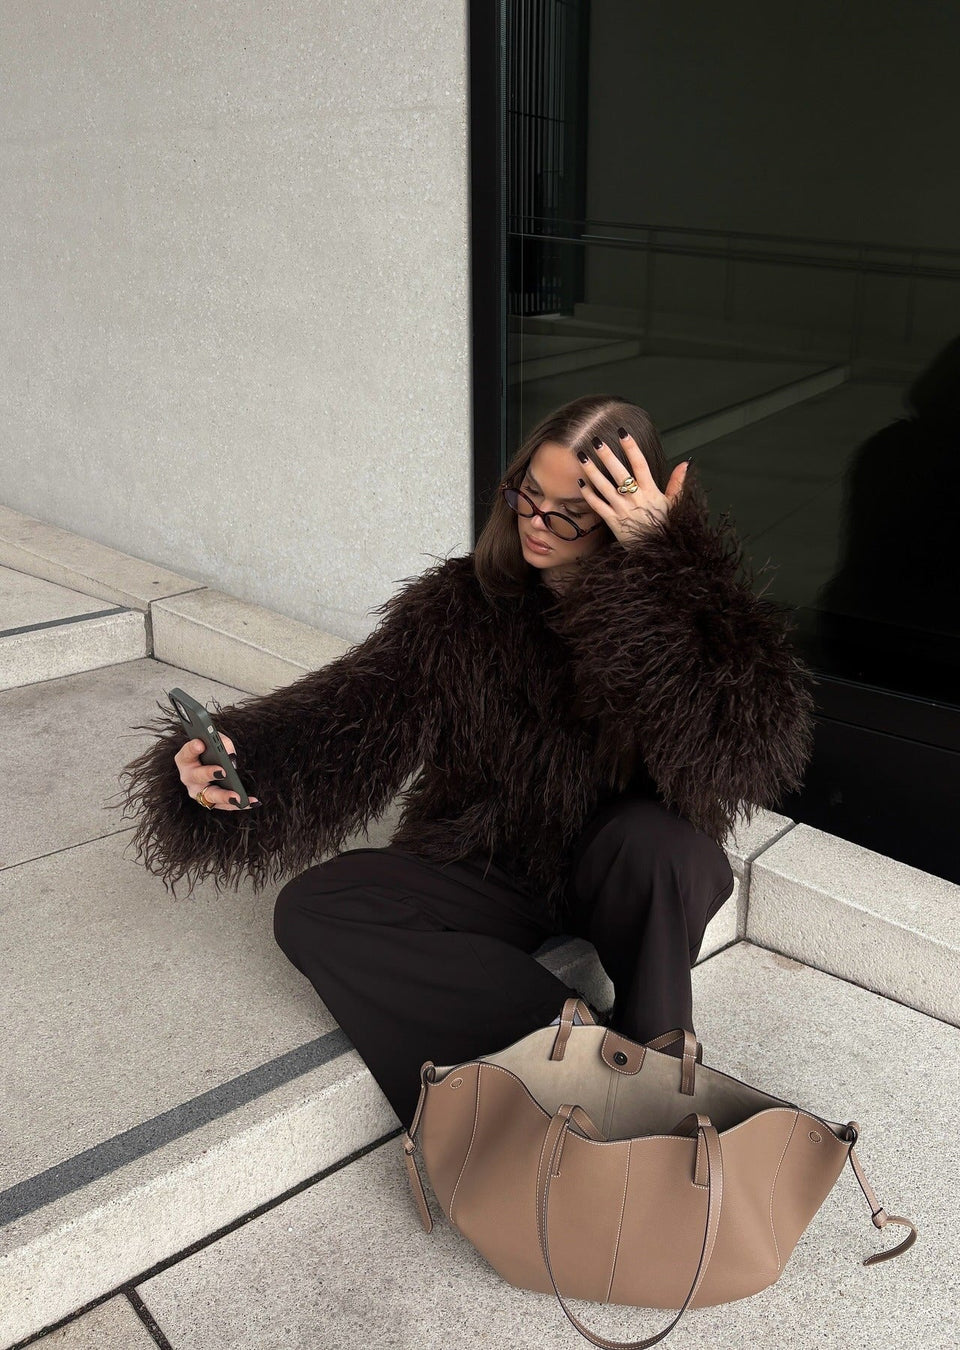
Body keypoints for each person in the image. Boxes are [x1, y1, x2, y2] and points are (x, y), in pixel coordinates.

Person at [114, 393, 817, 1128]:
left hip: (621, 873)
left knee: (664, 847)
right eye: (527, 496)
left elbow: (745, 750)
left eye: (570, 513)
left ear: (622, 514)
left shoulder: (679, 612)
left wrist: (661, 573)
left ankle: (659, 1058)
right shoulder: (461, 605)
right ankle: (580, 1053)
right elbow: (352, 714)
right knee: (313, 909)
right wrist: (237, 760)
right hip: (486, 861)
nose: (536, 523)